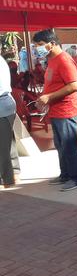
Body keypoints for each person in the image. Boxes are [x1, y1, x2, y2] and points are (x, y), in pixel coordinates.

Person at [33, 29, 77, 191]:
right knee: (60, 145)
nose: (38, 48)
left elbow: (74, 85)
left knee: (69, 145)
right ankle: (65, 174)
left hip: (66, 110)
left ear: (53, 44)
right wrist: (44, 98)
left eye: (41, 45)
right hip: (55, 111)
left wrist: (49, 97)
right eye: (36, 46)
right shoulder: (52, 60)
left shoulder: (64, 60)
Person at [0, 56, 18, 189]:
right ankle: (14, 171)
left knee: (2, 145)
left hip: (3, 105)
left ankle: (7, 178)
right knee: (7, 142)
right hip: (6, 106)